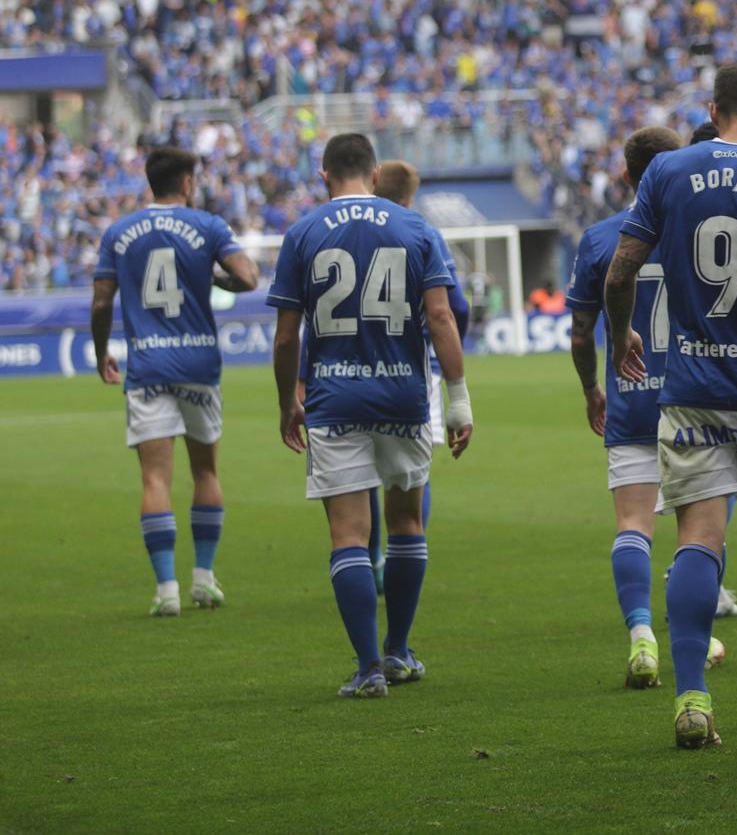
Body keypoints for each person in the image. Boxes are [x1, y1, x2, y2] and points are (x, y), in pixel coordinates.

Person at [604, 60, 737, 750]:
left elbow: (621, 270)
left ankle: (691, 697)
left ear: (712, 108)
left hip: (692, 388)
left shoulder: (668, 172)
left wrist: (621, 331)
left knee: (697, 541)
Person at [267, 133, 472, 697]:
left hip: (335, 401)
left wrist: (289, 400)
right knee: (407, 524)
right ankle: (400, 651)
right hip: (403, 397)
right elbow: (442, 317)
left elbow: (287, 337)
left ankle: (367, 669)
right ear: (376, 172)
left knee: (349, 536)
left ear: (323, 174)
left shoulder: (303, 231)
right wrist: (458, 401)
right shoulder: (415, 227)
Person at [566, 126, 732, 688]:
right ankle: (697, 632)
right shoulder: (706, 231)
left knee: (633, 525)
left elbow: (581, 333)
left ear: (627, 174)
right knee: (703, 535)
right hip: (697, 395)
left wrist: (592, 388)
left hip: (632, 397)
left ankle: (641, 633)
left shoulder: (599, 239)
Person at [90, 147, 259, 616]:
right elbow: (248, 277)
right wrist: (216, 278)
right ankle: (203, 578)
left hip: (147, 366)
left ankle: (166, 590)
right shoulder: (207, 226)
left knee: (154, 479)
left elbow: (102, 302)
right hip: (199, 365)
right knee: (205, 471)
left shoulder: (119, 232)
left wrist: (102, 349)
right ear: (186, 182)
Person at [360, 160, 471, 588]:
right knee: (412, 471)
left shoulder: (343, 227)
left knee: (361, 470)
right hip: (409, 363)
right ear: (410, 194)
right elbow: (453, 307)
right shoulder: (421, 230)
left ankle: (370, 557)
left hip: (349, 361)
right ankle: (401, 555)